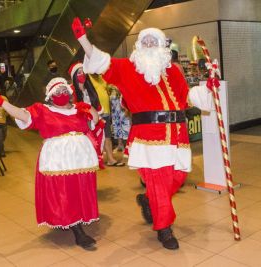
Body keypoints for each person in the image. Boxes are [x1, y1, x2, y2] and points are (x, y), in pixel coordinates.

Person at [72, 19, 217, 250]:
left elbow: (187, 97)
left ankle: (149, 200)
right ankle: (164, 228)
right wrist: (83, 40)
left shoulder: (173, 72)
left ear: (162, 46)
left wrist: (208, 88)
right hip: (149, 138)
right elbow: (101, 62)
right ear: (138, 46)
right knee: (159, 183)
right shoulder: (127, 68)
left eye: (154, 41)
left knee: (176, 179)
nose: (149, 44)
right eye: (145, 41)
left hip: (177, 137)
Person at [0, 77, 100, 249]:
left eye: (63, 91)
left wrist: (88, 107)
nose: (61, 94)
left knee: (80, 189)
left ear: (69, 93)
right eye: (56, 92)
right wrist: (3, 103)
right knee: (65, 191)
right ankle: (78, 232)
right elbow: (23, 115)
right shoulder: (43, 110)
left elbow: (95, 120)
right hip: (58, 160)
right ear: (49, 95)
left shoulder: (78, 108)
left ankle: (73, 219)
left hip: (81, 158)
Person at [69, 62, 123, 167]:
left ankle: (108, 159)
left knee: (105, 136)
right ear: (74, 75)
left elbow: (96, 103)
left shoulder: (89, 88)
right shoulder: (71, 90)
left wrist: (98, 115)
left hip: (97, 118)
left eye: (83, 72)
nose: (82, 74)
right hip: (80, 124)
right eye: (79, 72)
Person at [109, 85, 131, 152]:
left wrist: (128, 110)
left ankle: (128, 146)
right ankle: (120, 145)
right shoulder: (110, 85)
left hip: (123, 109)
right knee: (117, 127)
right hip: (115, 110)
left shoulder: (123, 82)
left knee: (127, 127)